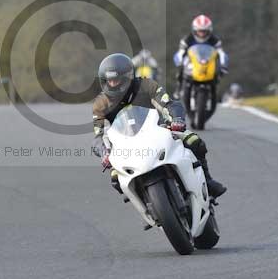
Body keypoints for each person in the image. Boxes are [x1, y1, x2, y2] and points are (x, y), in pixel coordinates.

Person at [91, 53, 226, 198]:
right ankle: (148, 207)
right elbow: (99, 134)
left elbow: (169, 104)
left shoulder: (146, 85)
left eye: (116, 80)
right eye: (109, 81)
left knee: (194, 141)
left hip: (159, 130)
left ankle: (208, 180)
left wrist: (177, 120)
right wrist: (104, 152)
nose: (112, 84)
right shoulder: (101, 104)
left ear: (128, 77)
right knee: (115, 177)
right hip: (125, 145)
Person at [174, 14, 228, 96]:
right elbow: (180, 53)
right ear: (195, 30)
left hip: (208, 62)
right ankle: (179, 87)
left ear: (209, 30)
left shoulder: (214, 40)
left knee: (219, 71)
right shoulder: (187, 39)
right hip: (191, 62)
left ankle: (215, 90)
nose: (202, 34)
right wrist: (179, 62)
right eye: (200, 31)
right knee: (180, 71)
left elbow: (221, 53)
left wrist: (224, 65)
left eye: (204, 31)